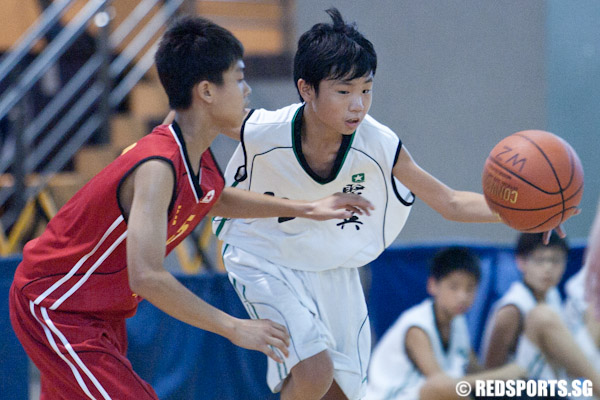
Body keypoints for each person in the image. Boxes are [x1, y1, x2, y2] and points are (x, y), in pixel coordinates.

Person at [8, 16, 373, 400]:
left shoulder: (190, 147)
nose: (247, 90)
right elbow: (147, 276)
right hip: (56, 304)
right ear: (207, 92)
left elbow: (211, 197)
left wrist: (308, 208)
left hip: (100, 312)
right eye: (238, 79)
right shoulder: (157, 166)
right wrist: (234, 326)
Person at [212, 8, 507, 400]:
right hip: (261, 253)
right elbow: (197, 116)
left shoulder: (379, 144)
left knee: (339, 392)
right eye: (344, 91)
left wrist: (522, 213)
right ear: (306, 89)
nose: (358, 104)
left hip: (329, 264)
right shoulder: (264, 130)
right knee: (315, 371)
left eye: (366, 90)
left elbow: (450, 202)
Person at [365, 247, 483, 400]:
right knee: (435, 389)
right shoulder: (416, 326)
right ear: (433, 285)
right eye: (454, 287)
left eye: (470, 288)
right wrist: (506, 373)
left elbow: (476, 371)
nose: (462, 296)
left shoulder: (458, 322)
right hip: (391, 397)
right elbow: (440, 386)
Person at [480, 232, 568, 372]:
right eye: (540, 260)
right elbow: (492, 376)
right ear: (521, 262)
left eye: (556, 260)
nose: (548, 268)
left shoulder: (553, 295)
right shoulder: (511, 310)